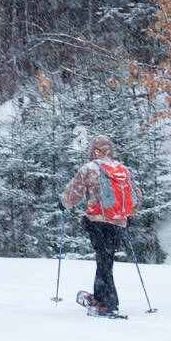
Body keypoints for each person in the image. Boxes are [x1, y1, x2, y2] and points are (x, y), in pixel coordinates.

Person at [58, 134, 137, 315]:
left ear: (94, 150)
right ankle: (106, 299)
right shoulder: (122, 169)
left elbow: (75, 192)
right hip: (118, 222)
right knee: (106, 260)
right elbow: (136, 195)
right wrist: (128, 215)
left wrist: (63, 203)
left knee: (103, 261)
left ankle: (105, 303)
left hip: (98, 222)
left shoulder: (90, 168)